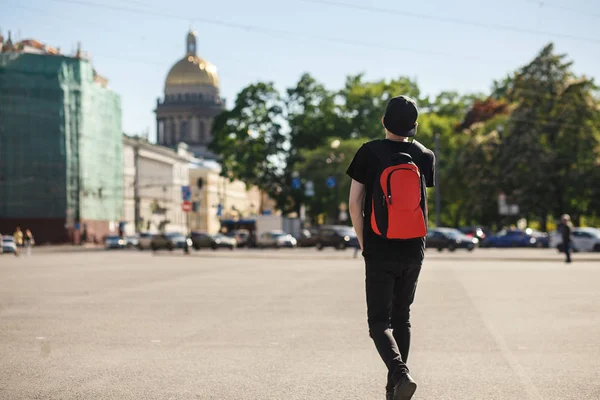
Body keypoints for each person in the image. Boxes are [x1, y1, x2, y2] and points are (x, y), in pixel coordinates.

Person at [346, 95, 435, 400]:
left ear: (383, 122)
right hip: (414, 247)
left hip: (380, 245)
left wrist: (364, 242)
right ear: (414, 126)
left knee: (378, 322)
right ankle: (392, 389)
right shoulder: (425, 155)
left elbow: (354, 204)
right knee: (402, 318)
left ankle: (399, 374)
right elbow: (421, 204)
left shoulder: (369, 153)